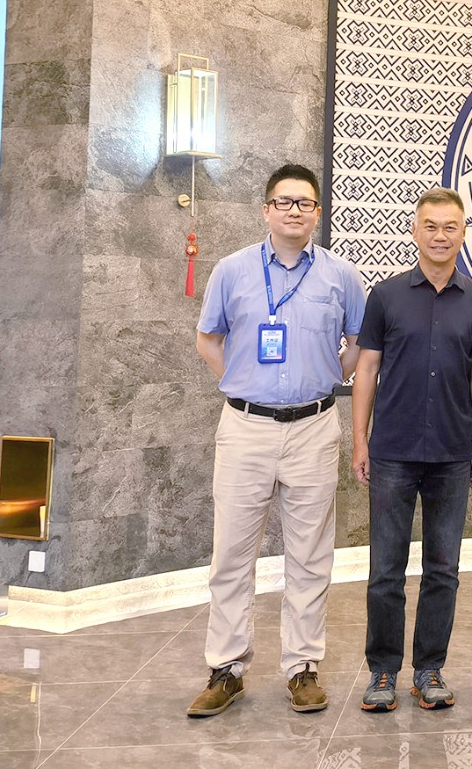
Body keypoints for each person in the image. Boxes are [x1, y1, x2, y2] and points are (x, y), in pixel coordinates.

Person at [188, 164, 365, 717]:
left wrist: (329, 378)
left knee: (310, 555)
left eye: (305, 203)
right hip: (245, 427)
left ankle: (303, 667)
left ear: (317, 212)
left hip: (314, 427)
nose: (294, 210)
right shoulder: (232, 270)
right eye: (284, 201)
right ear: (266, 209)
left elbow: (359, 344)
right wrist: (239, 383)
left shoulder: (341, 276)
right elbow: (207, 338)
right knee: (231, 554)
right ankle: (226, 669)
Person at [350, 187, 472, 713]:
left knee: (443, 569)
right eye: (430, 225)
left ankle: (429, 668)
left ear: (462, 233)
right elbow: (367, 368)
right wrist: (360, 438)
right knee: (385, 570)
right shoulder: (386, 296)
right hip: (392, 450)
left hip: (452, 454)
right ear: (415, 231)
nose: (439, 235)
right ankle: (383, 671)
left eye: (449, 226)